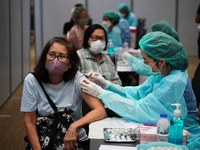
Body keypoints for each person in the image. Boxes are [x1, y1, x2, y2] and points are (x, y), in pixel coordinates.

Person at [80, 32, 200, 149]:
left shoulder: (174, 82)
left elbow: (141, 109)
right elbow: (137, 93)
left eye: (146, 60)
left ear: (162, 62)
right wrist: (106, 85)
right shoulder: (163, 73)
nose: (143, 63)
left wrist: (101, 93)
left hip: (181, 134)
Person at [20, 37, 107, 150]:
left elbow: (100, 111)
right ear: (44, 58)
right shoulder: (32, 80)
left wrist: (74, 126)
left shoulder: (77, 79)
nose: (55, 60)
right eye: (51, 54)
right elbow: (30, 122)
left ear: (70, 64)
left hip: (74, 140)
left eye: (62, 56)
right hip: (44, 139)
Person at [123, 20, 199, 124]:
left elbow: (145, 107)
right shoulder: (167, 69)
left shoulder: (174, 80)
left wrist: (129, 58)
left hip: (184, 125)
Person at [77, 24, 122, 119]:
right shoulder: (78, 56)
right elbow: (72, 84)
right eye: (94, 38)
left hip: (109, 104)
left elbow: (118, 83)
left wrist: (106, 83)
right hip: (86, 106)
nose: (98, 41)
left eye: (102, 38)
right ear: (87, 39)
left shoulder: (107, 59)